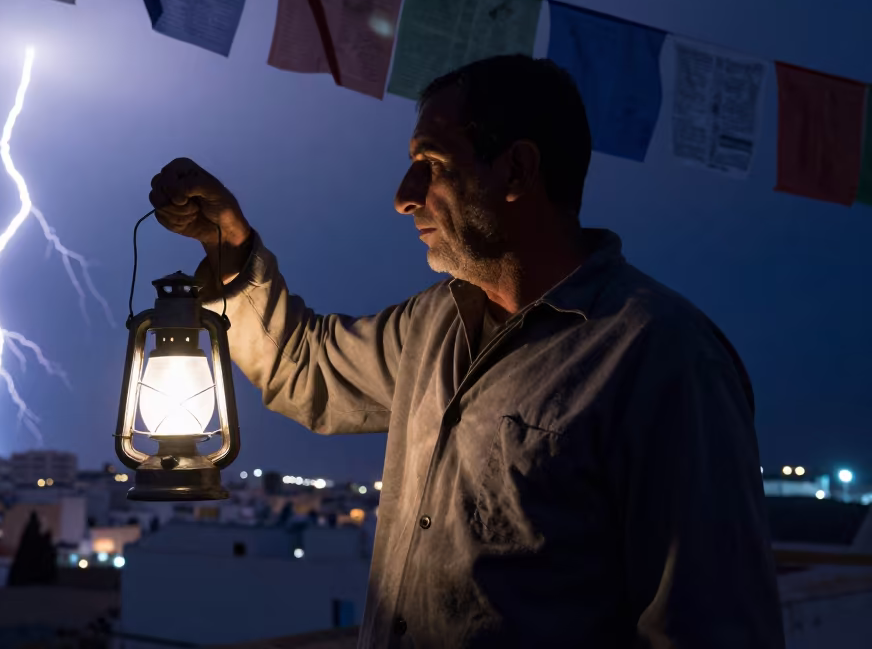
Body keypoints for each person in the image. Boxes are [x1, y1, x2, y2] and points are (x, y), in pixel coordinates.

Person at [148, 55, 784, 649]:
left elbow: (708, 624)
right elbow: (302, 367)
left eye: (433, 163)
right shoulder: (433, 325)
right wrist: (228, 246)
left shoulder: (660, 358)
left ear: (517, 171)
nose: (404, 194)